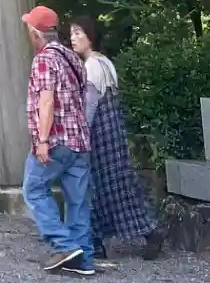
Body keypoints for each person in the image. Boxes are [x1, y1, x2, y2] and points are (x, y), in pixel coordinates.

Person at [70, 15, 164, 260]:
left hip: (99, 135)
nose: (73, 38)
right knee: (116, 185)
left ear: (90, 36)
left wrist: (80, 134)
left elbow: (89, 106)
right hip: (114, 131)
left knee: (99, 186)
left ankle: (140, 232)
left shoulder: (91, 66)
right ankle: (104, 239)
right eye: (71, 33)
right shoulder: (106, 63)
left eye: (78, 33)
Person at [20, 5, 96, 276]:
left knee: (33, 189)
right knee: (78, 201)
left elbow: (47, 101)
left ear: (35, 33)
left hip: (56, 141)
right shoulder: (73, 59)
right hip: (80, 141)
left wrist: (42, 140)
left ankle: (64, 246)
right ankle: (83, 260)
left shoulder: (44, 60)